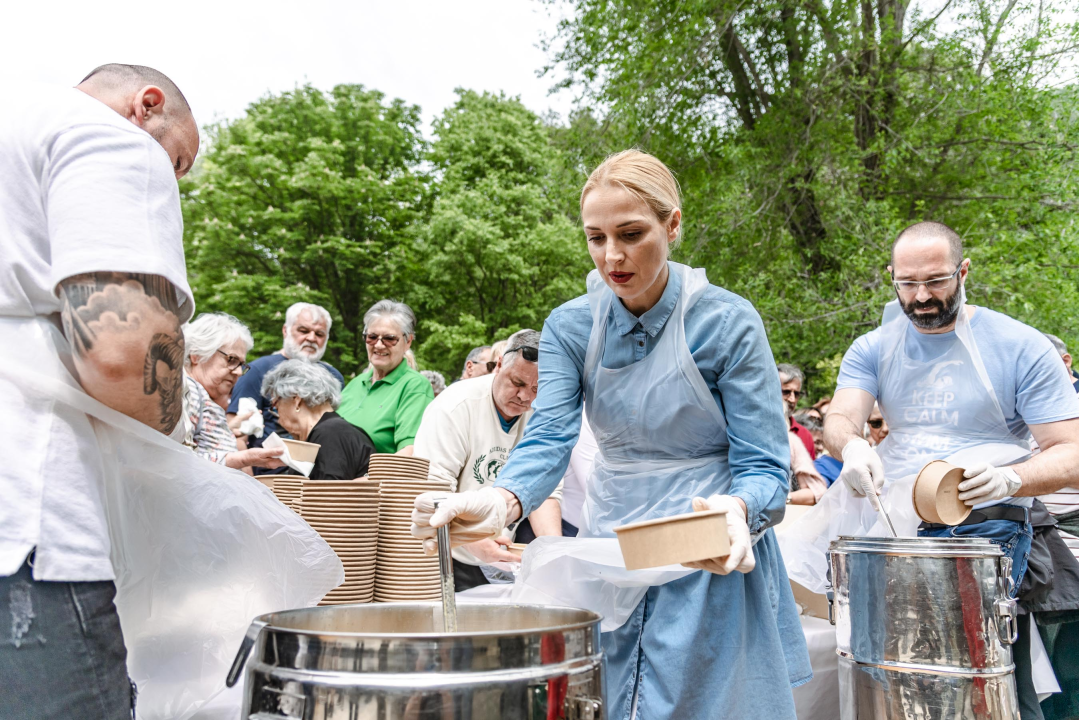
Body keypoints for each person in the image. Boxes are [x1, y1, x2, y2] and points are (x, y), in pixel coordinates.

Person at [412, 149, 810, 718]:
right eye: (595, 238)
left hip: (708, 541)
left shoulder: (726, 322)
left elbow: (765, 465)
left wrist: (741, 511)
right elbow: (548, 437)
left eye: (631, 233)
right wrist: (503, 498)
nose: (612, 256)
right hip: (613, 544)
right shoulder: (571, 326)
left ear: (673, 225)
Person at [0, 63, 200, 717]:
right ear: (147, 105)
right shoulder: (107, 138)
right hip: (24, 528)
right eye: (177, 162)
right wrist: (168, 423)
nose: (172, 181)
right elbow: (122, 358)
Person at [824, 220, 1079, 720]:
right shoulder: (873, 346)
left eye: (936, 281)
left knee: (987, 670)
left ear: (963, 272)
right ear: (891, 278)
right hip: (893, 521)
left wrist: (1014, 477)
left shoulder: (1019, 345)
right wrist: (852, 447)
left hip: (990, 525)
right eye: (908, 284)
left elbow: (1071, 449)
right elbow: (839, 418)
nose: (921, 297)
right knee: (890, 669)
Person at [413, 329, 564, 591]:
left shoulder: (542, 414)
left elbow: (544, 491)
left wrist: (555, 553)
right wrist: (472, 539)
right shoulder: (453, 407)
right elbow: (433, 493)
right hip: (445, 553)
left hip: (503, 553)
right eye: (517, 382)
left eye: (537, 388)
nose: (525, 397)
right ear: (498, 366)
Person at [226, 302, 344, 457]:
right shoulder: (257, 370)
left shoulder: (333, 377)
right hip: (271, 470)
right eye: (303, 330)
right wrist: (248, 478)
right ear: (285, 330)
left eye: (319, 334)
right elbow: (237, 435)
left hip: (321, 469)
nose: (311, 338)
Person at [181, 312, 284, 472]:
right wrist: (244, 458)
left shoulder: (198, 394)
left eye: (241, 365)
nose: (237, 372)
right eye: (231, 360)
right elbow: (180, 459)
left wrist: (227, 430)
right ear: (197, 355)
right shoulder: (189, 390)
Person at [338, 299, 434, 455]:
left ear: (408, 341)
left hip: (375, 478)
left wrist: (365, 480)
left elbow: (409, 452)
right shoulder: (355, 384)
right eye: (372, 337)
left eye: (389, 338)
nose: (379, 345)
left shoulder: (414, 386)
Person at [261, 360, 374, 480]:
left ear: (296, 400)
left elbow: (326, 494)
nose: (278, 419)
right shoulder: (335, 431)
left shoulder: (330, 434)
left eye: (275, 406)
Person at [780, 363, 816, 459]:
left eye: (796, 394)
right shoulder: (757, 428)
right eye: (786, 392)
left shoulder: (805, 435)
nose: (792, 399)